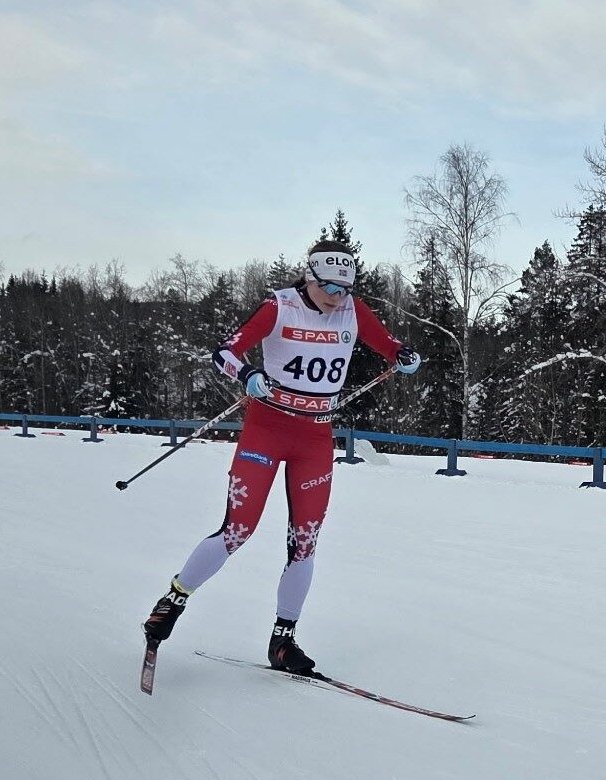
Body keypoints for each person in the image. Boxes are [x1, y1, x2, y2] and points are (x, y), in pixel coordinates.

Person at [142, 239, 421, 673]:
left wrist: (403, 355)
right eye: (329, 287)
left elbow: (389, 344)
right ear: (310, 277)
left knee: (305, 542)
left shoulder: (352, 310)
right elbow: (224, 352)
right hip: (266, 432)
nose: (336, 297)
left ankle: (283, 641)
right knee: (238, 530)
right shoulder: (280, 305)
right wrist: (247, 373)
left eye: (345, 289)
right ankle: (173, 600)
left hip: (314, 439)